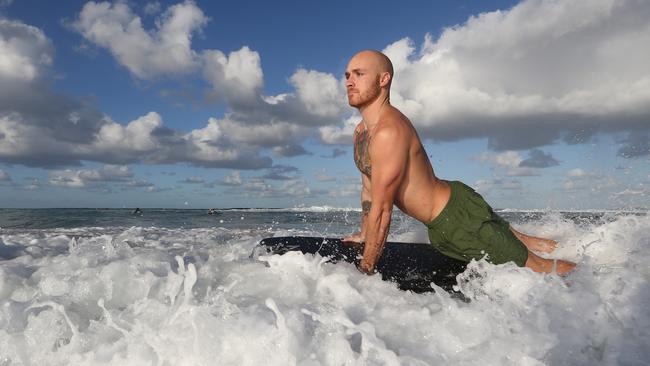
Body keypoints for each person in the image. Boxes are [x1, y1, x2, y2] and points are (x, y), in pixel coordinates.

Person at [341, 50, 576, 276]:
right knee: (525, 244)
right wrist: (364, 234)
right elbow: (369, 189)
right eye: (347, 75)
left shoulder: (388, 131)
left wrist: (367, 268)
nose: (350, 82)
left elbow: (383, 211)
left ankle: (594, 278)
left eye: (359, 74)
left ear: (384, 79)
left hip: (458, 221)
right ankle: (583, 248)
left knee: (541, 269)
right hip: (455, 201)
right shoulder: (361, 132)